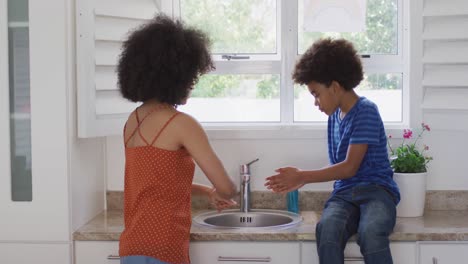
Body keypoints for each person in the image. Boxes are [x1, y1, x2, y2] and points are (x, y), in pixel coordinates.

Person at [265, 38, 400, 264]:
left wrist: (302, 176)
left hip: (376, 192)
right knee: (327, 231)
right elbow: (343, 174)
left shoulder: (366, 110)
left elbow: (349, 167)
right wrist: (301, 177)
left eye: (316, 93)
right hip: (344, 195)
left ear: (335, 87)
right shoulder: (334, 117)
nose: (316, 102)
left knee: (371, 233)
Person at [117, 14, 237, 264]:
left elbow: (156, 183)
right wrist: (223, 190)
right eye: (192, 76)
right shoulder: (181, 123)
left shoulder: (132, 121)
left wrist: (206, 191)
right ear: (177, 76)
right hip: (165, 247)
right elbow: (227, 188)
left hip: (131, 247)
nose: (192, 83)